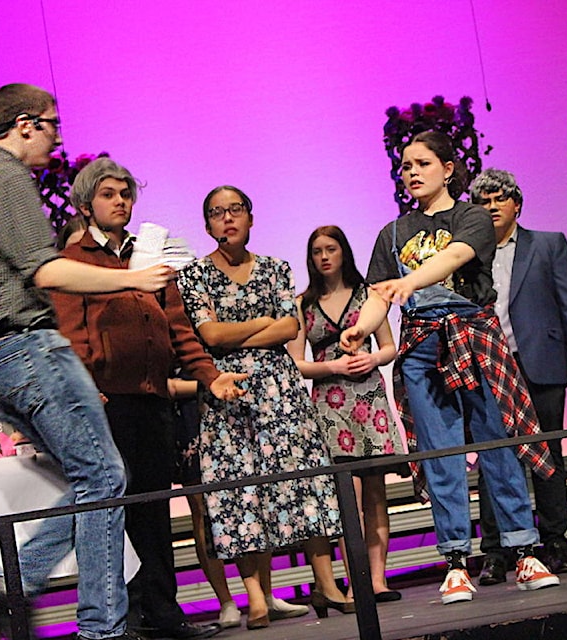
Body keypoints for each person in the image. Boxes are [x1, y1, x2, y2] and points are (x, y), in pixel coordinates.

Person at [0, 83, 175, 640]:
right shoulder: (3, 178)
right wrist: (134, 278)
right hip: (26, 348)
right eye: (51, 125)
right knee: (105, 475)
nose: (56, 138)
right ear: (23, 125)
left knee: (93, 477)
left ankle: (13, 582)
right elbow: (43, 270)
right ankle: (97, 627)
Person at [340, 130, 560, 605]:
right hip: (422, 344)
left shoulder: (472, 216)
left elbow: (457, 255)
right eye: (405, 166)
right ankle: (456, 561)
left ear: (447, 168)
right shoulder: (393, 233)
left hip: (472, 334)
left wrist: (409, 281)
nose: (412, 172)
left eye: (421, 163)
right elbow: (381, 294)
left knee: (498, 444)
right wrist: (362, 327)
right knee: (441, 455)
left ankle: (523, 549)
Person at [50, 158, 247, 639]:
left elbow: (179, 330)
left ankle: (163, 614)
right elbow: (71, 335)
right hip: (106, 403)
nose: (121, 201)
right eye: (110, 194)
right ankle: (126, 617)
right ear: (84, 204)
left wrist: (210, 376)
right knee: (115, 511)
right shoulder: (76, 263)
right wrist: (85, 390)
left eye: (125, 193)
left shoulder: (149, 254)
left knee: (156, 511)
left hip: (154, 401)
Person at [177, 185, 349, 624]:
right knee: (240, 493)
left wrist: (240, 329)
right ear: (207, 225)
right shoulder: (194, 275)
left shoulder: (275, 268)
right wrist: (260, 325)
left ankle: (326, 584)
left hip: (280, 391)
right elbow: (209, 337)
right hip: (227, 394)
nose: (227, 218)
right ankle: (255, 596)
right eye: (217, 212)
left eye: (235, 209)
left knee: (304, 484)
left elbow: (290, 327)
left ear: (251, 217)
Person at [467, 168, 567, 584]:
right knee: (493, 461)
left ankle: (555, 541)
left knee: (549, 455)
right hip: (489, 369)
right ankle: (498, 550)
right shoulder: (467, 255)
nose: (492, 207)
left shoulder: (547, 244)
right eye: (483, 202)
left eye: (499, 198)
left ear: (516, 203)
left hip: (541, 361)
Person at [286, 225, 407, 602]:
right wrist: (333, 368)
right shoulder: (302, 303)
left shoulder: (367, 296)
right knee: (347, 497)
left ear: (344, 252)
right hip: (329, 402)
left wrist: (372, 357)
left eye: (331, 249)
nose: (324, 257)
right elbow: (296, 364)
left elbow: (389, 347)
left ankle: (376, 580)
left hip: (368, 399)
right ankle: (354, 583)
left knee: (375, 494)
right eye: (317, 251)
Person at [170, 376, 310, 625]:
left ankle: (265, 594)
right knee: (203, 509)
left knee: (255, 497)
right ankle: (226, 602)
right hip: (190, 410)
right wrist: (206, 385)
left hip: (233, 400)